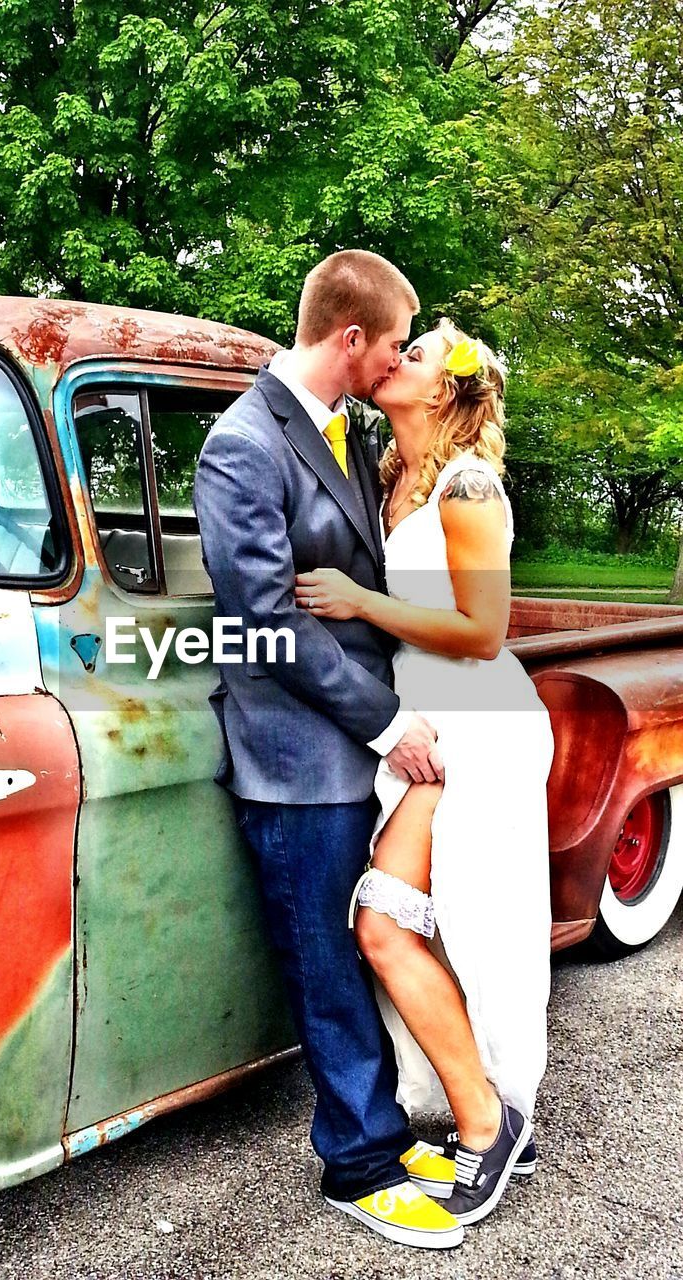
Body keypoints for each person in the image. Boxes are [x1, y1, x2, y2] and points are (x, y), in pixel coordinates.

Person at [194, 251, 465, 1250]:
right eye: (393, 340)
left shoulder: (340, 433)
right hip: (296, 754)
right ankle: (356, 1161)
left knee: (359, 946)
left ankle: (384, 1133)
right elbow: (263, 619)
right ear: (349, 338)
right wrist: (391, 724)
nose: (398, 356)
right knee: (325, 962)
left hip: (351, 739)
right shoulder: (243, 445)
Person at [294, 318, 554, 1227]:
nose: (396, 356)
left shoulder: (468, 483)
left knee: (480, 924)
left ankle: (493, 1122)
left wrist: (362, 600)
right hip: (422, 729)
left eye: (418, 351)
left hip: (482, 722)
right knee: (394, 925)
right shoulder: (387, 474)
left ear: (445, 390)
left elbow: (484, 631)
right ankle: (489, 1109)